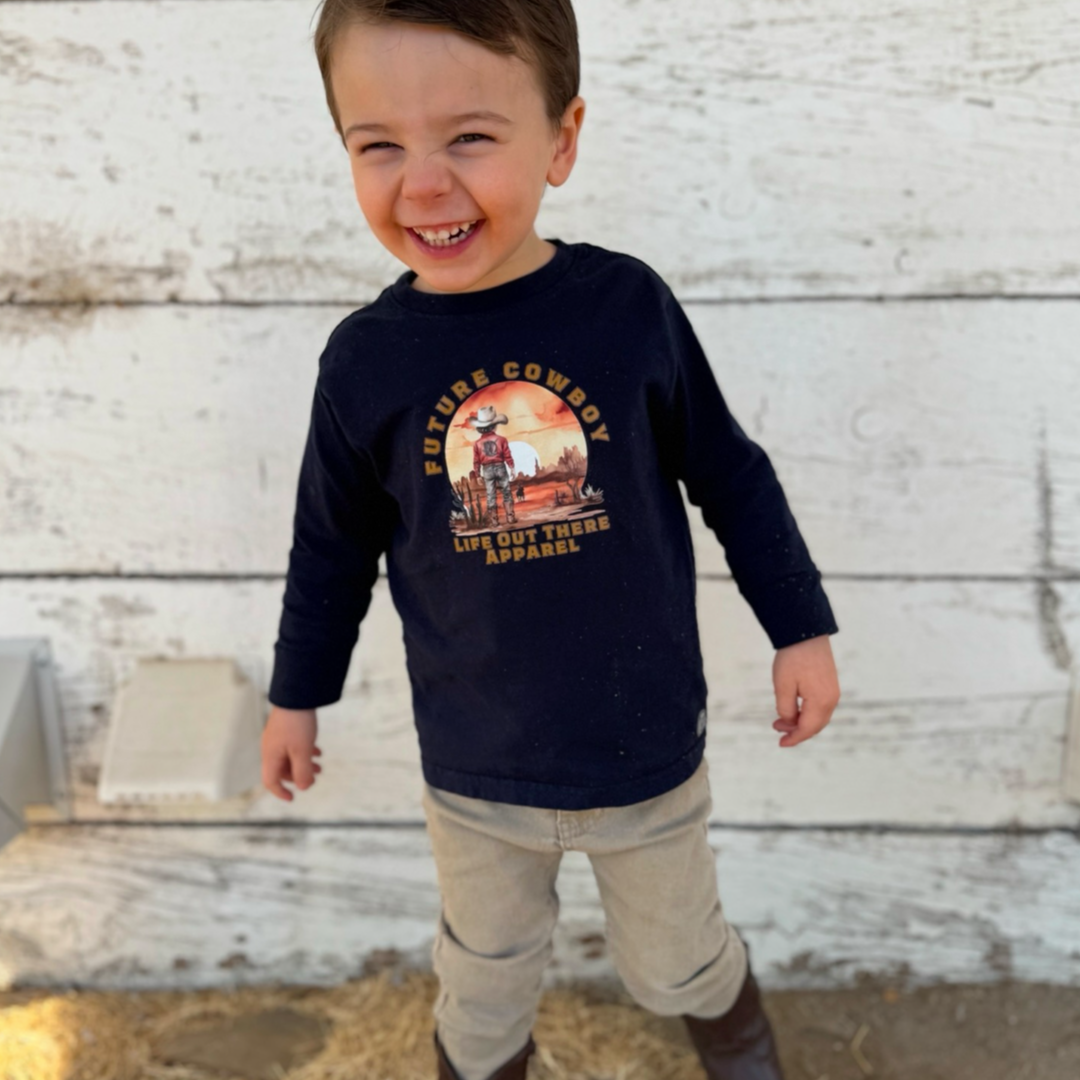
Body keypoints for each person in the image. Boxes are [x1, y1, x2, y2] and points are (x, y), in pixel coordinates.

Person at [261, 3, 842, 1079]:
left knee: (677, 965)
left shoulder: (626, 310)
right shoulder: (365, 364)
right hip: (478, 769)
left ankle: (742, 1044)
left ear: (562, 139)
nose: (423, 183)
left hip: (644, 756)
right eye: (378, 145)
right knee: (481, 993)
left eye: (469, 137)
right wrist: (296, 694)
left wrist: (799, 625)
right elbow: (329, 548)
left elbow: (731, 474)